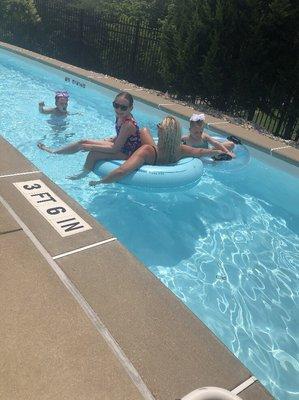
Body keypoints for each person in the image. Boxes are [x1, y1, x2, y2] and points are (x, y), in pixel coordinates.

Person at [37, 91, 154, 179]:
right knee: (82, 141)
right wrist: (113, 138)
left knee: (93, 154)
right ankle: (54, 151)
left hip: (127, 152)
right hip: (121, 144)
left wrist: (91, 147)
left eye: (123, 107)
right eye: (116, 105)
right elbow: (123, 135)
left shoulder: (128, 124)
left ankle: (83, 174)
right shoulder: (120, 115)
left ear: (131, 108)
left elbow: (115, 148)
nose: (118, 109)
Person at [89, 115, 225, 186]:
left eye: (160, 125)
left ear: (163, 132)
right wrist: (215, 152)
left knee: (142, 131)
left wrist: (100, 182)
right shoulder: (180, 149)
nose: (157, 126)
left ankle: (117, 138)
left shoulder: (147, 151)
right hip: (163, 156)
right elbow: (199, 152)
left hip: (155, 157)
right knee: (144, 131)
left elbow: (122, 171)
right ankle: (117, 138)